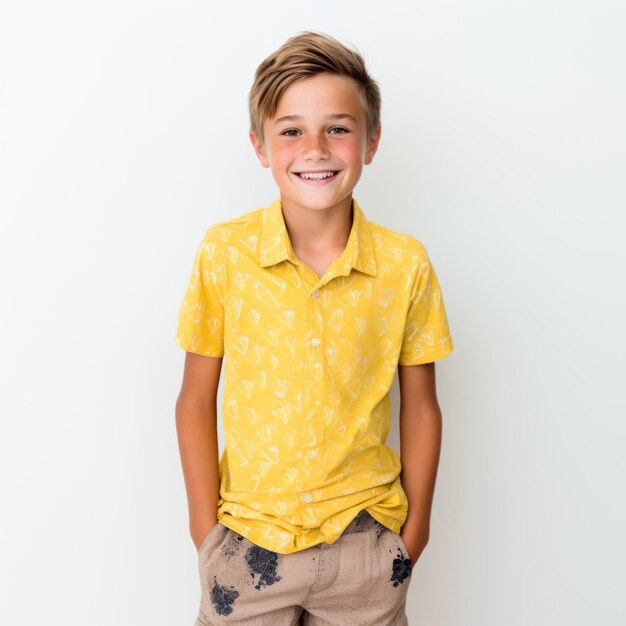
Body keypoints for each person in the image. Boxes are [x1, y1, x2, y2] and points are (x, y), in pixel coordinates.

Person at [175, 30, 454, 626]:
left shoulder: (405, 264)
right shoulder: (225, 253)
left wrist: (414, 536)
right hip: (246, 547)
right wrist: (206, 534)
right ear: (260, 146)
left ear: (371, 141)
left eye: (338, 127)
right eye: (291, 130)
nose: (316, 148)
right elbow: (195, 399)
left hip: (365, 545)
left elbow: (422, 406)